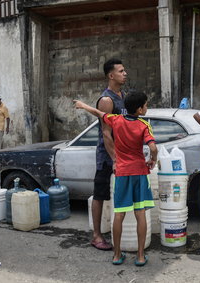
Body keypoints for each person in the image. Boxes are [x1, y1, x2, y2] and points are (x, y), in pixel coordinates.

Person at [74, 91, 157, 266]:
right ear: (140, 109)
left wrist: (83, 105)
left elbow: (99, 113)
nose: (147, 108)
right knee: (140, 213)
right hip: (140, 173)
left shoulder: (116, 120)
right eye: (146, 105)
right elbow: (153, 147)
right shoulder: (144, 125)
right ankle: (140, 256)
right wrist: (153, 159)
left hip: (121, 172)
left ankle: (117, 255)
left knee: (119, 214)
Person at [73, 58, 127, 250]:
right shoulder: (107, 100)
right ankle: (96, 236)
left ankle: (121, 233)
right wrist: (114, 159)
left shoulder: (122, 96)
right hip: (107, 157)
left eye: (124, 70)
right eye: (121, 71)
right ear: (111, 75)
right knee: (100, 194)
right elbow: (106, 132)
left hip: (122, 154)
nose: (125, 73)